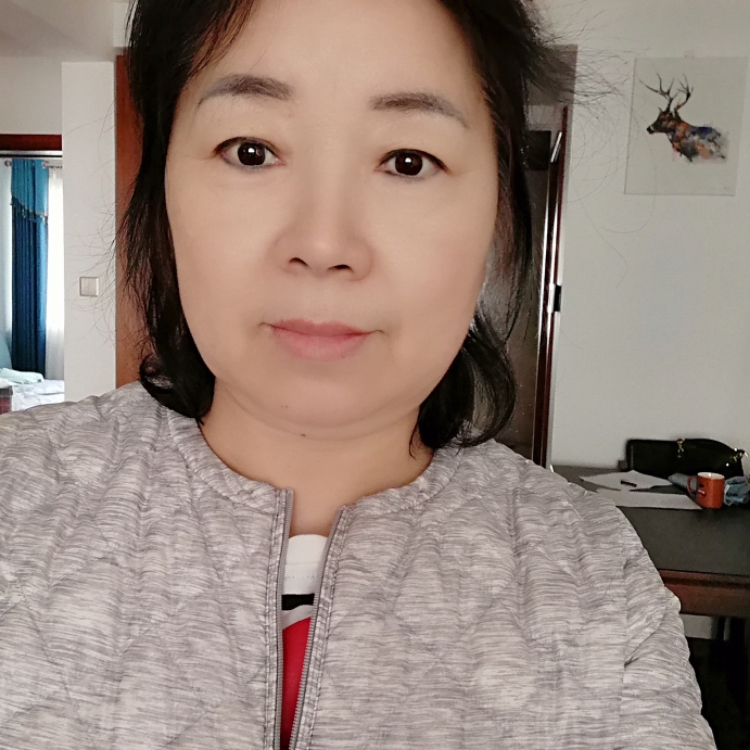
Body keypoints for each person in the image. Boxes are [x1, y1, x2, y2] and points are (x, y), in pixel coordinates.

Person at [0, 0, 717, 748]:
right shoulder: (14, 499)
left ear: (500, 221)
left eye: (408, 161)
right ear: (163, 196)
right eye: (251, 150)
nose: (323, 242)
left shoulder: (594, 575)